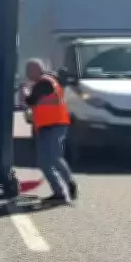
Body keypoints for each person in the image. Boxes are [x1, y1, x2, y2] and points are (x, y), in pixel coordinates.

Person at [23, 58, 78, 204]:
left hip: (55, 125)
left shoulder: (45, 82)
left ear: (36, 70)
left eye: (29, 70)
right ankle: (59, 193)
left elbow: (30, 101)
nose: (27, 73)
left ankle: (69, 183)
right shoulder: (44, 82)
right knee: (43, 162)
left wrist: (24, 91)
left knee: (54, 157)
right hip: (44, 126)